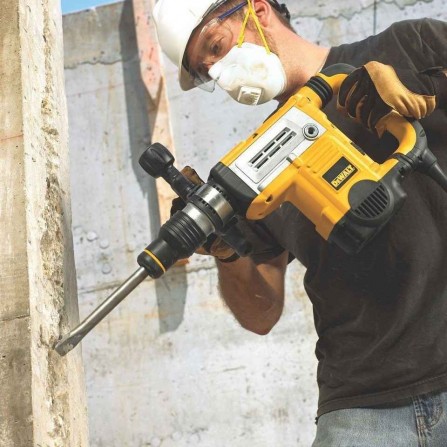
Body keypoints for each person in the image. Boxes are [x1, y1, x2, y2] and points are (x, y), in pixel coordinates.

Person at [153, 0, 447, 445]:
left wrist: (426, 86)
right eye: (204, 71)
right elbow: (260, 313)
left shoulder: (408, 46)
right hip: (361, 407)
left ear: (257, 11)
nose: (219, 73)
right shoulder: (258, 163)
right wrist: (226, 249)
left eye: (215, 47)